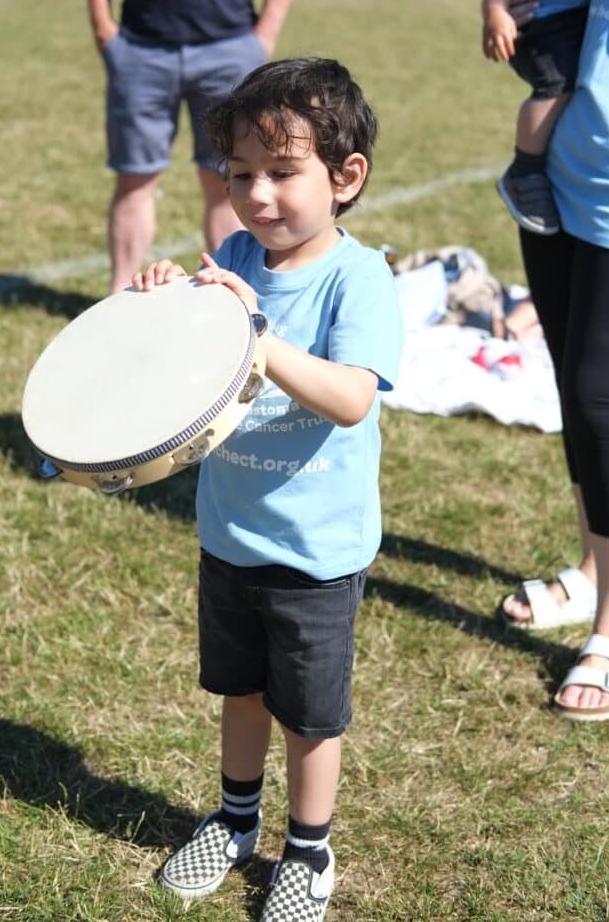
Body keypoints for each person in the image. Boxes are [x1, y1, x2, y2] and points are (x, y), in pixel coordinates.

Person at [132, 58, 404, 917]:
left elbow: (352, 398)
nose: (255, 196)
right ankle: (235, 819)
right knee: (240, 691)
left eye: (282, 173)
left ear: (345, 177)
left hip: (316, 553)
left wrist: (253, 326)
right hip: (230, 537)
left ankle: (308, 851)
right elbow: (185, 371)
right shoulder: (238, 256)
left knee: (308, 716)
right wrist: (168, 302)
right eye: (239, 173)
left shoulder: (356, 280)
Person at [498, 0, 609, 723]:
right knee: (573, 394)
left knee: (598, 396)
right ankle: (590, 569)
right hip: (560, 190)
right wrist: (518, 7)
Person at [84, 0, 303, 293]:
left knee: (230, 182)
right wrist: (104, 27)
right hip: (141, 48)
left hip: (230, 49)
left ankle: (231, 306)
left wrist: (264, 36)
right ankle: (118, 305)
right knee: (134, 181)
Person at [481, 0, 609, 236]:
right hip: (540, 15)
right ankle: (524, 170)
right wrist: (496, 7)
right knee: (556, 83)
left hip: (572, 15)